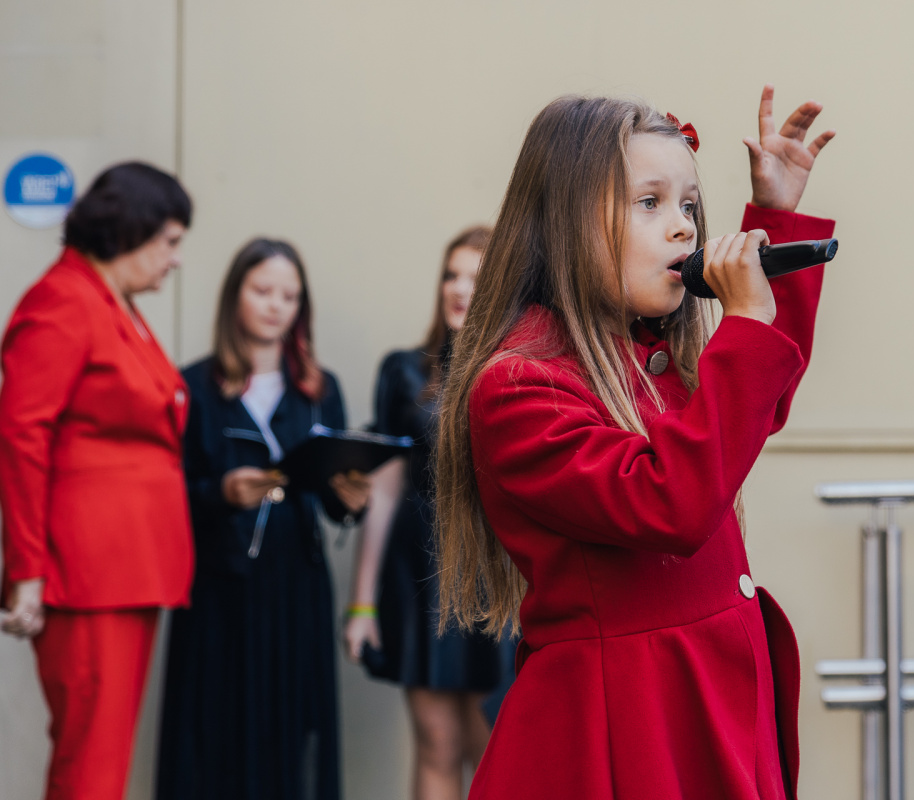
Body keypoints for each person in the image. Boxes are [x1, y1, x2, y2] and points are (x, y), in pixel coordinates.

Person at [435, 85, 836, 800]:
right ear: (564, 223)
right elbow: (671, 503)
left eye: (689, 206)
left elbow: (757, 406)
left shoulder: (644, 355)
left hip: (698, 703)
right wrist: (744, 327)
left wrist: (774, 217)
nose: (684, 228)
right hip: (625, 730)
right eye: (650, 203)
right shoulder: (520, 386)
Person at [0, 162, 194, 800]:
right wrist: (27, 569)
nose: (176, 259)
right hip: (88, 573)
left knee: (101, 762)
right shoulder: (65, 299)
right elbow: (21, 437)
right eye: (170, 241)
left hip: (128, 566)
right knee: (91, 768)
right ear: (131, 228)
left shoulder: (112, 303)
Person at [155, 238, 370, 800]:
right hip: (219, 590)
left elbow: (331, 498)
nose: (276, 305)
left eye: (290, 296)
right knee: (214, 729)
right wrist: (222, 493)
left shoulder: (319, 391)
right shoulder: (193, 387)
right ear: (235, 296)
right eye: (262, 291)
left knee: (292, 729)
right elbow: (169, 495)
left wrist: (350, 502)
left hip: (297, 586)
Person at [343, 226, 513, 799]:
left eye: (475, 277)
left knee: (495, 750)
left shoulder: (520, 368)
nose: (458, 289)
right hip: (419, 574)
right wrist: (362, 604)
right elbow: (385, 490)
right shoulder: (405, 371)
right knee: (436, 741)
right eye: (450, 275)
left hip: (496, 573)